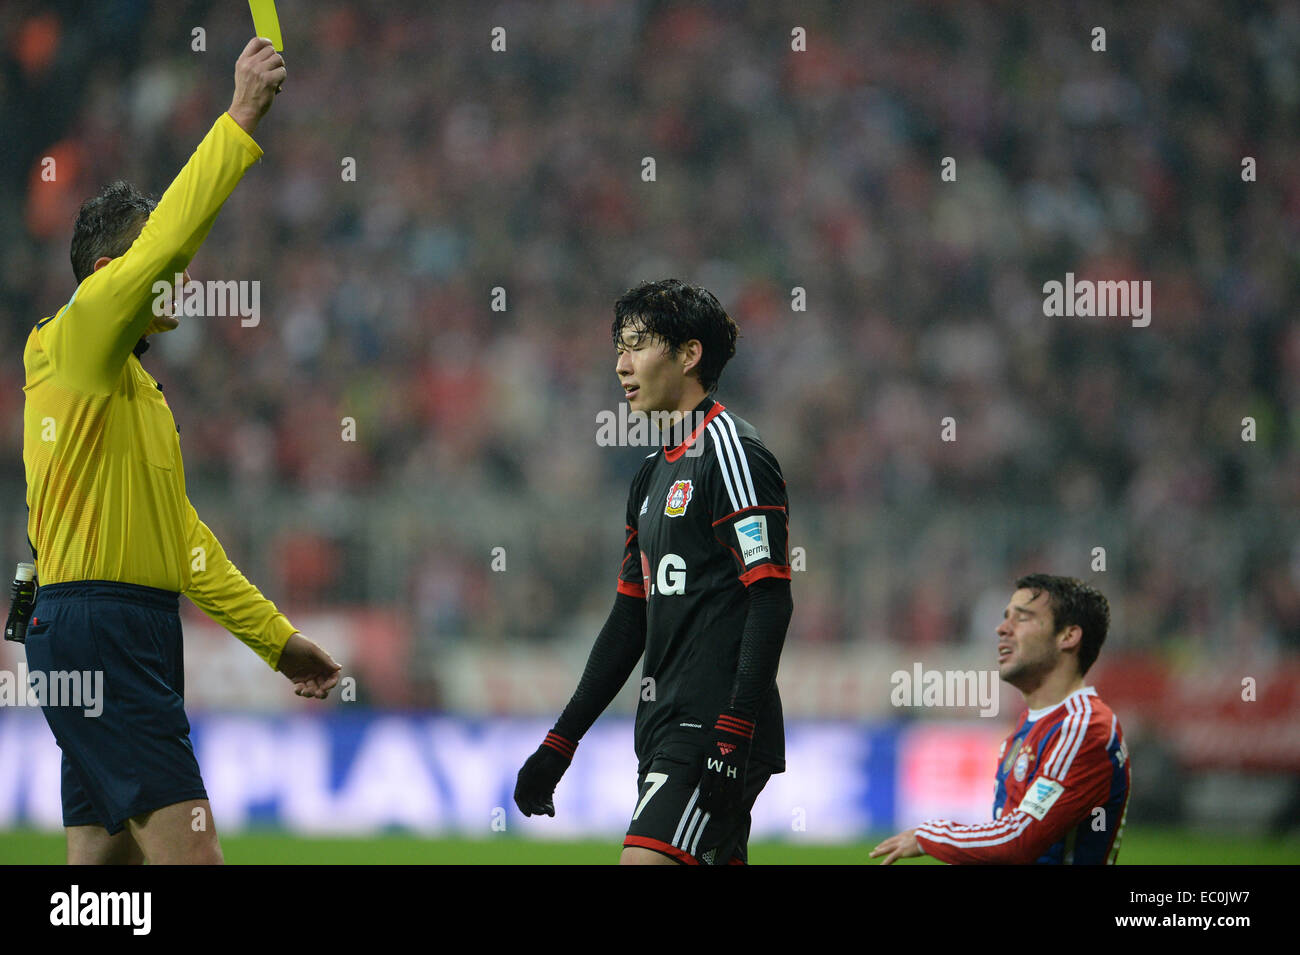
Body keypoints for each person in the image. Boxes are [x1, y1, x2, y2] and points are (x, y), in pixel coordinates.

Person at [21, 37, 340, 865]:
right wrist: (238, 118)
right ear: (102, 272)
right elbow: (169, 243)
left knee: (102, 870)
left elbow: (188, 546)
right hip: (101, 623)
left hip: (117, 626)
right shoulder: (77, 333)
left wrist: (276, 639)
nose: (182, 276)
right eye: (154, 259)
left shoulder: (135, 396)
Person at [513, 279, 794, 865]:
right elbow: (628, 621)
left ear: (689, 354)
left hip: (710, 727)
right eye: (619, 348)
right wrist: (560, 744)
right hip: (663, 726)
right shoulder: (648, 475)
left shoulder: (730, 452)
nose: (620, 365)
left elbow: (769, 597)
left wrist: (733, 731)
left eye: (637, 346)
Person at [871, 574, 1130, 865]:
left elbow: (1020, 840)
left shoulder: (1083, 726)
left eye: (1022, 618)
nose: (1002, 628)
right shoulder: (1027, 726)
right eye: (1006, 617)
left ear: (1068, 636)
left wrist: (929, 836)